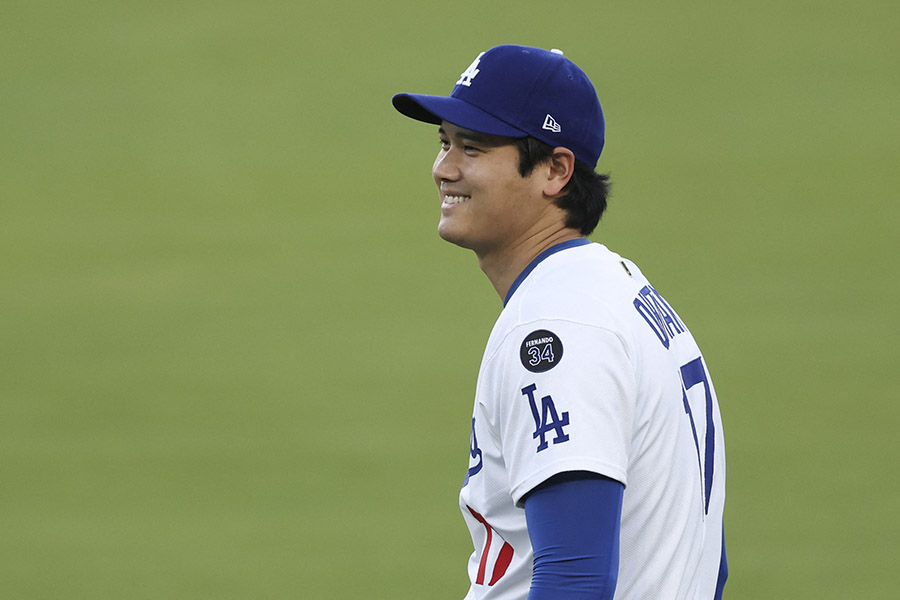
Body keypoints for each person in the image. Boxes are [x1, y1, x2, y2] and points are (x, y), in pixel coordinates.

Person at [392, 45, 727, 600]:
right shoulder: (625, 291)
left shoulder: (557, 327)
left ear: (555, 170)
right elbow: (707, 560)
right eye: (444, 142)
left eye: (472, 147)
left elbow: (575, 578)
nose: (444, 169)